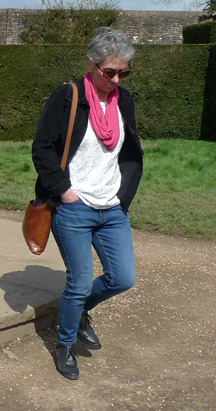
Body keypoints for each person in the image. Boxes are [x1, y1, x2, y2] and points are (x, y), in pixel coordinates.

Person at [31, 27, 143, 380]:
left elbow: (130, 152)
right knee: (78, 282)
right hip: (74, 206)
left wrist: (122, 197)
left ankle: (79, 312)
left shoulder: (124, 100)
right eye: (109, 71)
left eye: (123, 72)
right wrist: (64, 191)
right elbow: (42, 148)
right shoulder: (68, 96)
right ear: (91, 64)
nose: (115, 79)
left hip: (111, 208)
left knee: (122, 278)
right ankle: (64, 344)